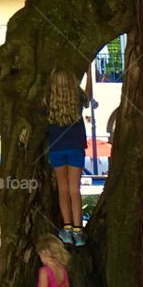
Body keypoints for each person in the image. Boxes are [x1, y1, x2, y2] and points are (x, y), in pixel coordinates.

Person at [46, 67, 89, 246]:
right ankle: (78, 232)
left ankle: (67, 228)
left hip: (56, 148)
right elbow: (88, 97)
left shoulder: (48, 101)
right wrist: (88, 75)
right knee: (74, 190)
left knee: (62, 190)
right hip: (76, 148)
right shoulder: (77, 98)